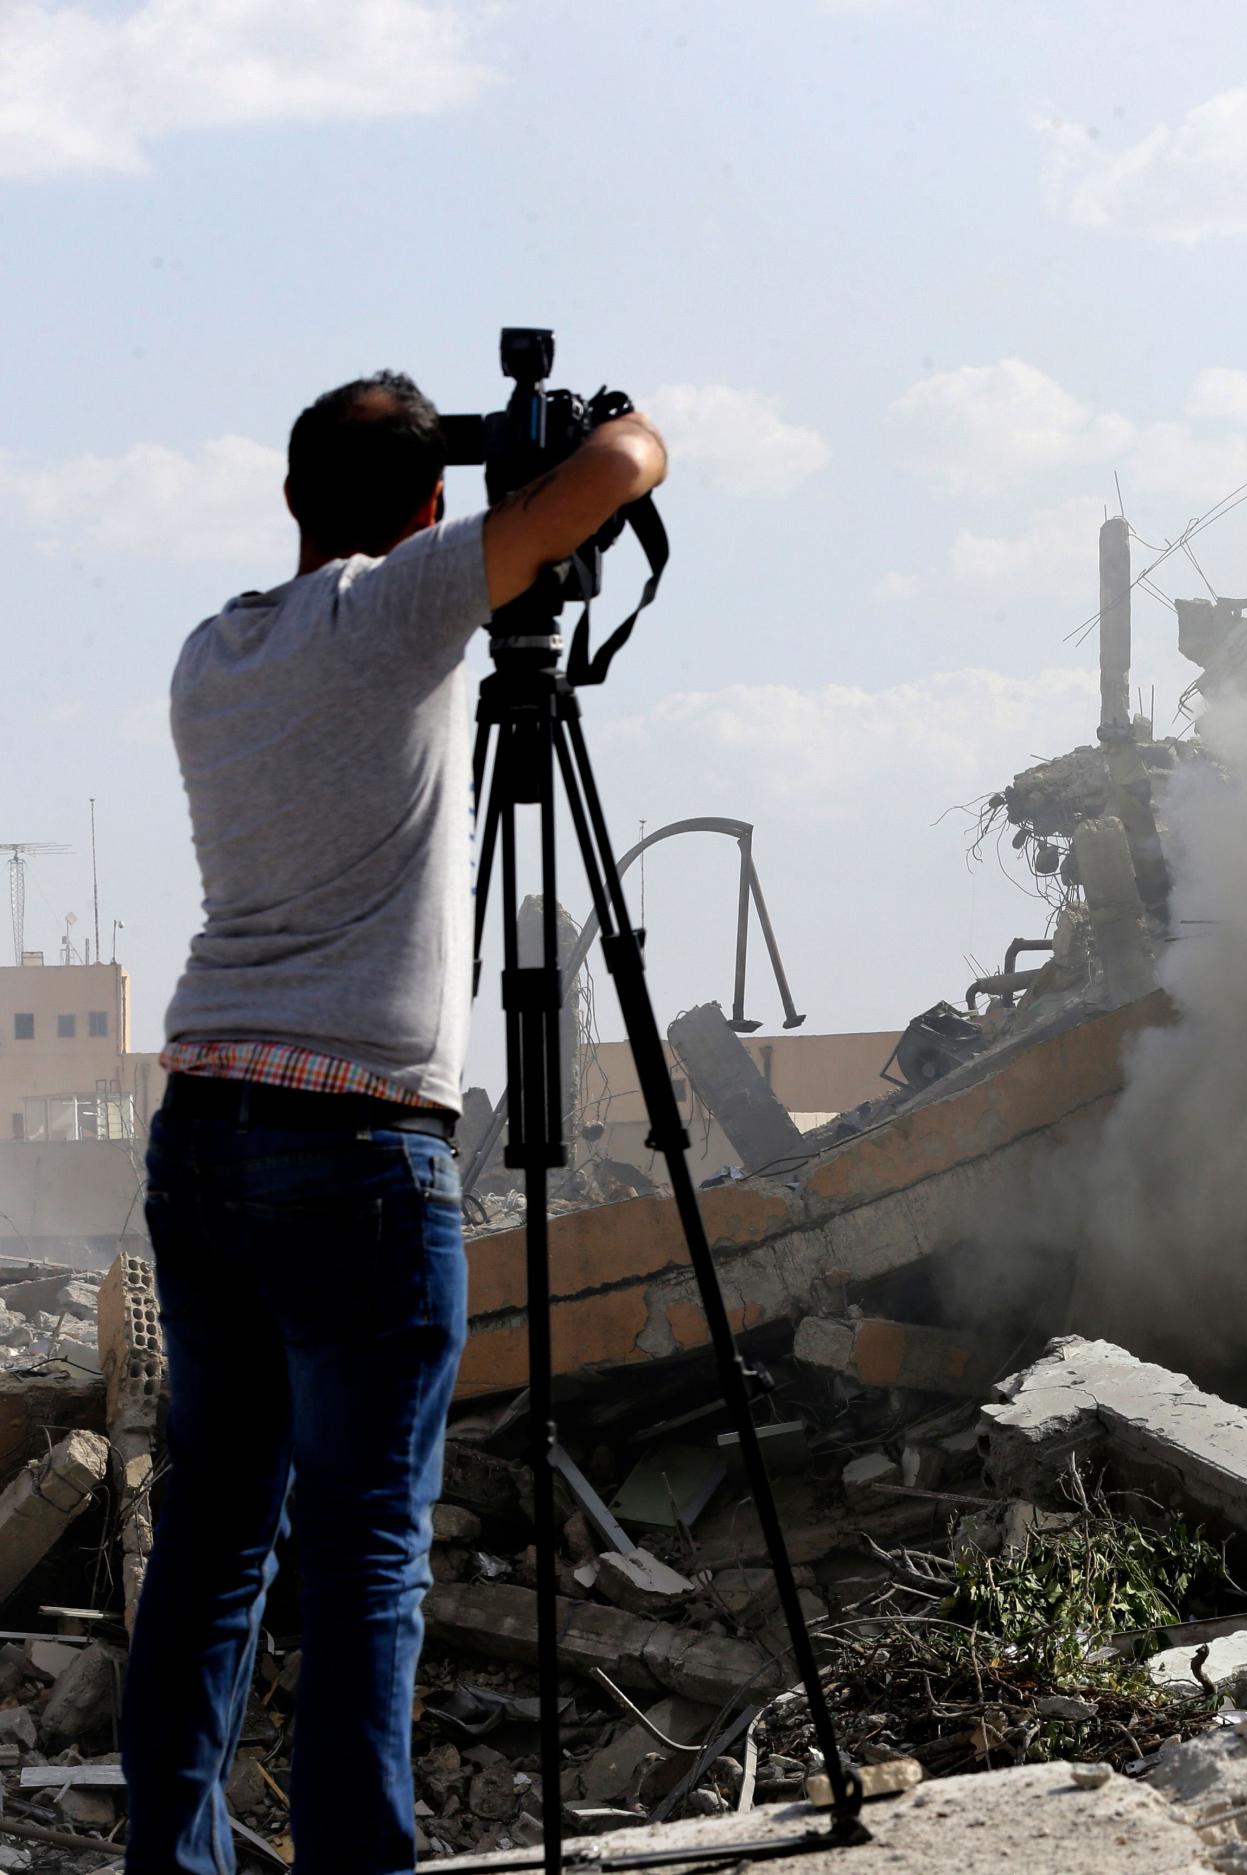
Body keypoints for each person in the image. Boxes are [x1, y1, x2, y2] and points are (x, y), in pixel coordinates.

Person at [124, 372, 666, 1874]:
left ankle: (173, 1862)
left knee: (217, 1530)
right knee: (367, 1543)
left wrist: (481, 468)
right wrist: (590, 431)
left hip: (208, 1122)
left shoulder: (212, 653)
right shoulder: (404, 606)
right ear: (432, 511)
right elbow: (625, 460)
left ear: (291, 498)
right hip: (359, 1145)